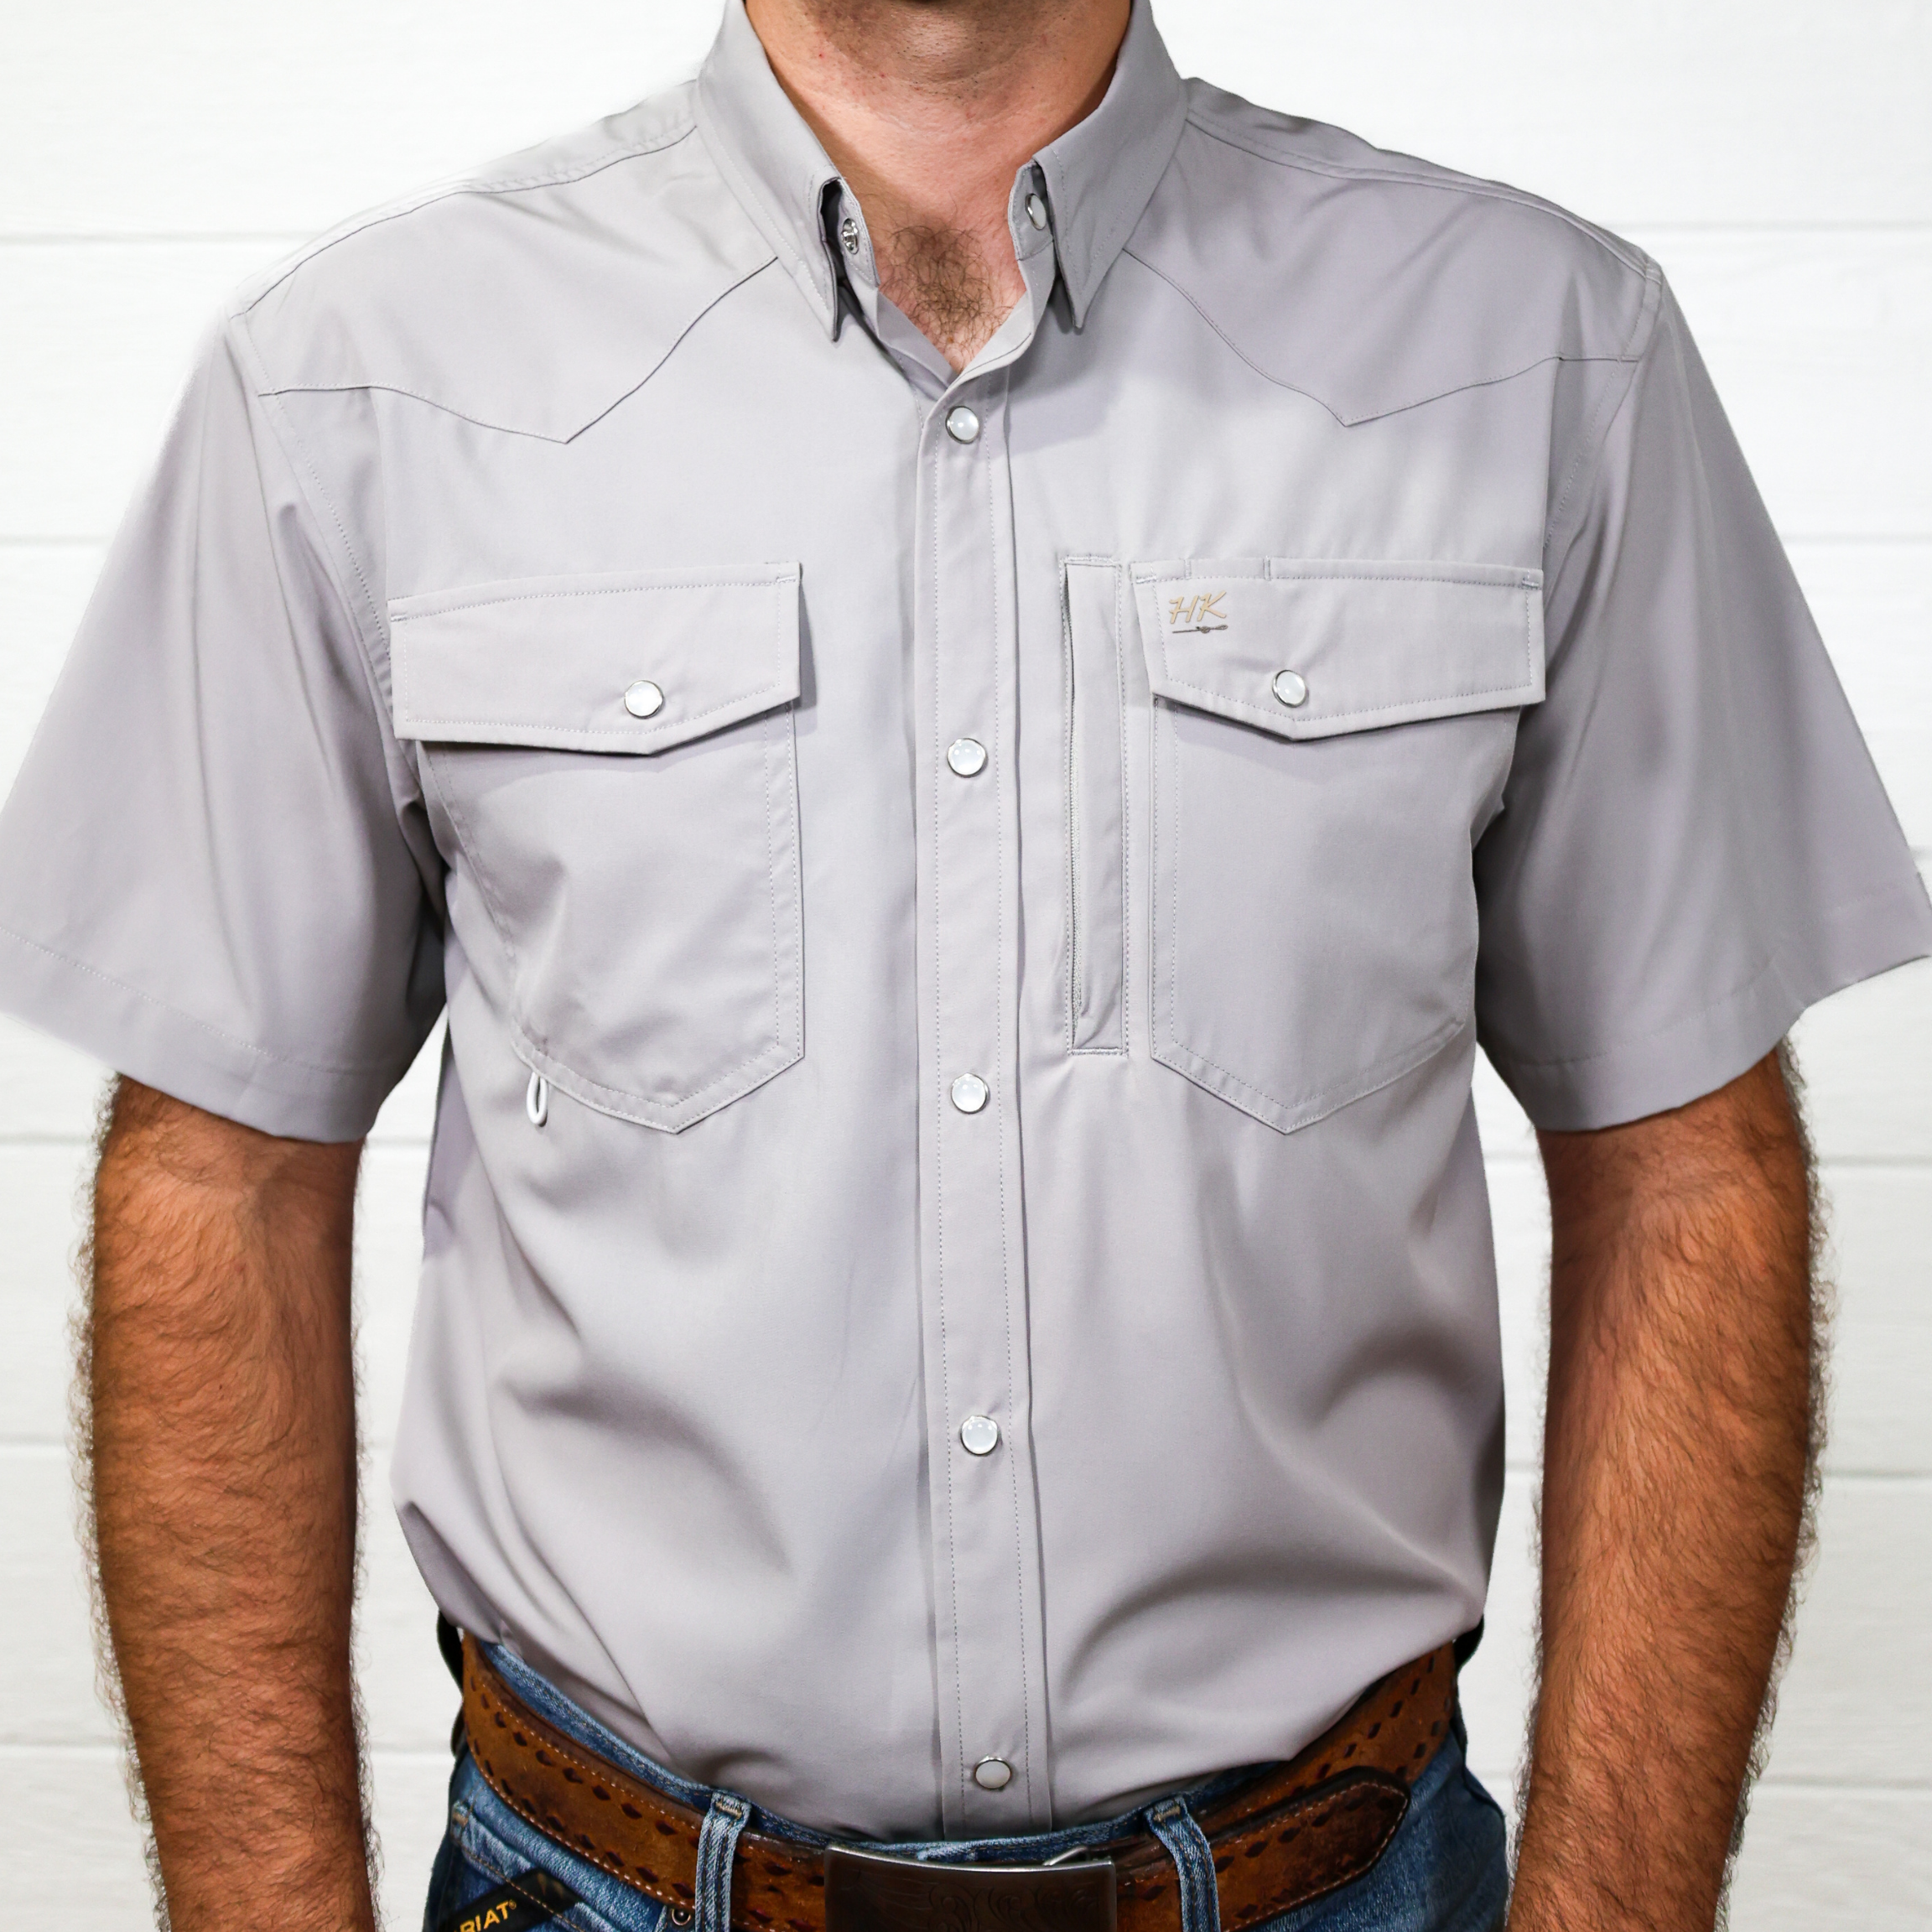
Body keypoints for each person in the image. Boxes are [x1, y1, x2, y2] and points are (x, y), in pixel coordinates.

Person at [3, 0, 1925, 1928]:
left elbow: (1689, 1173)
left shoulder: (1540, 354)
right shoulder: (359, 386)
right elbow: (217, 1184)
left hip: (1344, 1883)